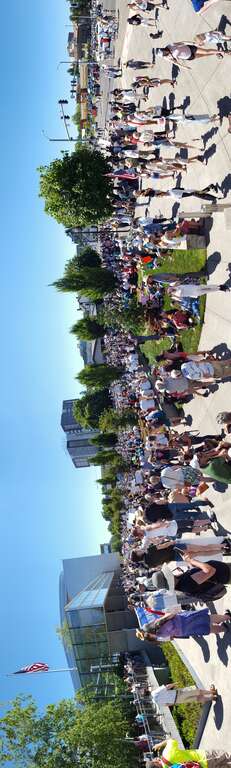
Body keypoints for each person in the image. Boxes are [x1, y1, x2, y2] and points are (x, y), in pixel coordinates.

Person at [136, 607, 231, 641]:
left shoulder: (157, 636)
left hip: (182, 631)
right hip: (183, 620)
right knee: (207, 618)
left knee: (205, 629)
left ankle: (223, 628)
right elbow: (171, 614)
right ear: (149, 625)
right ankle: (227, 617)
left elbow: (170, 638)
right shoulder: (157, 622)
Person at [150, 737, 231, 768]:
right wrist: (160, 744)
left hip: (201, 767)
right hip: (204, 757)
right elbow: (171, 740)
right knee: (227, 756)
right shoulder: (167, 754)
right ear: (155, 762)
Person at [148, 682, 217, 707]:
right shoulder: (154, 692)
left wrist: (175, 702)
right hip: (178, 693)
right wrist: (175, 684)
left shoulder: (156, 703)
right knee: (198, 692)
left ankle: (211, 698)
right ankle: (212, 692)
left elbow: (167, 705)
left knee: (197, 698)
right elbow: (166, 687)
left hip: (177, 701)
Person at [156, 44, 223, 67]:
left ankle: (222, 51)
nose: (165, 52)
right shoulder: (166, 57)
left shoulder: (170, 45)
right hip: (189, 57)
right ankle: (215, 53)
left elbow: (183, 42)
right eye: (164, 53)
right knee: (204, 55)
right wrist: (183, 66)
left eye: (163, 51)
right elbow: (175, 62)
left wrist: (192, 43)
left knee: (205, 51)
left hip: (190, 49)